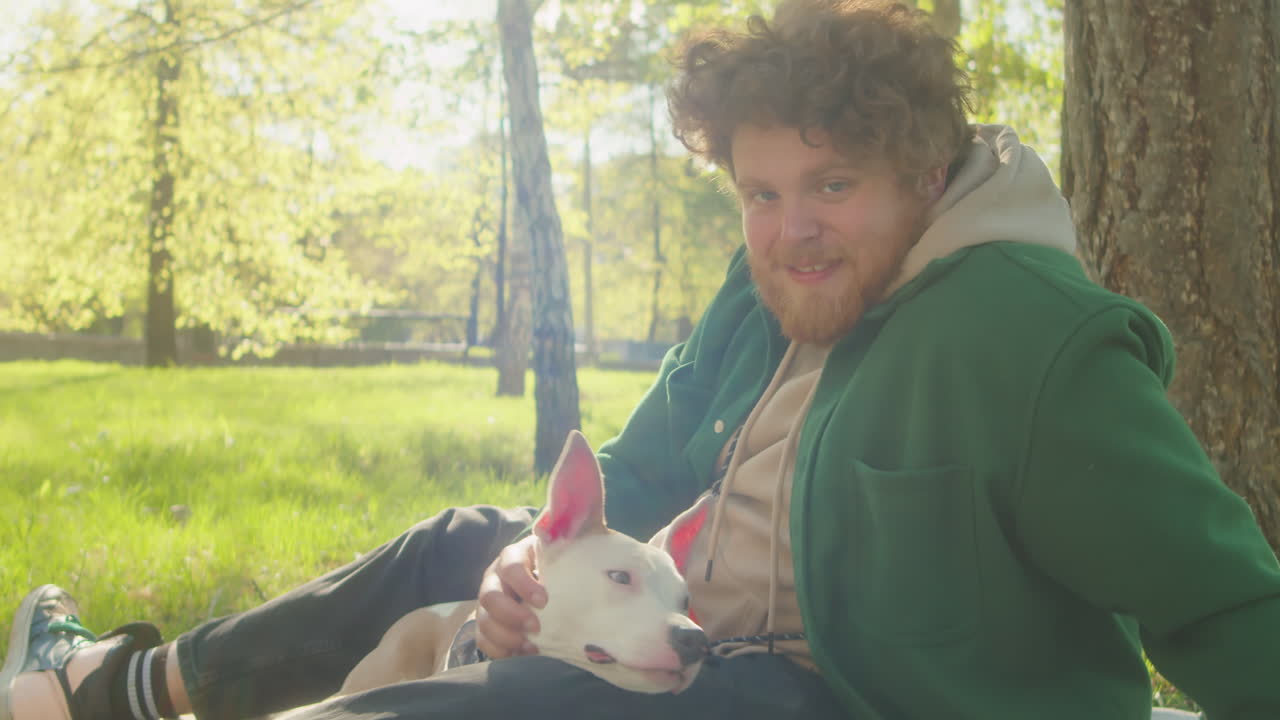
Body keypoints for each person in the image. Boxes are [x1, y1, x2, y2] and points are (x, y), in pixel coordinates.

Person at [4, 0, 1280, 718]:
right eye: (760, 190)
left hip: (812, 691)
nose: (790, 231)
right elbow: (638, 465)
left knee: (452, 715)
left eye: (831, 185)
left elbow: (1223, 599)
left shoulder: (1024, 341)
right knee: (457, 538)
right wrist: (524, 566)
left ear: (925, 174)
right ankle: (109, 694)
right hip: (667, 600)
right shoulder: (769, 278)